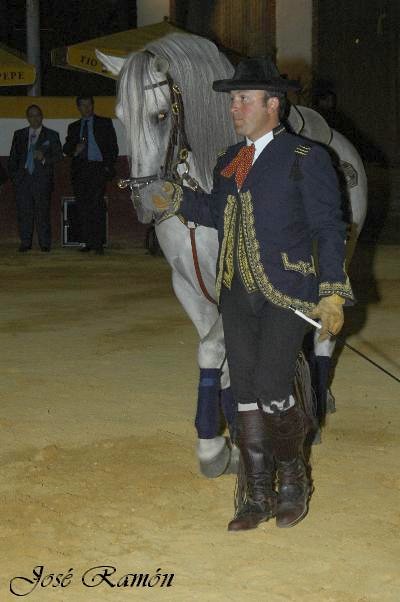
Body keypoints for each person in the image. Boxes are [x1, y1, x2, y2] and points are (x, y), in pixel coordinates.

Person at [140, 57, 354, 532]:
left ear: (271, 104)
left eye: (243, 99)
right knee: (247, 393)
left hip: (288, 291)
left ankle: (294, 480)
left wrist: (333, 292)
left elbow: (328, 228)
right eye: (233, 100)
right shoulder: (228, 161)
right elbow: (219, 211)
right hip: (235, 291)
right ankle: (255, 492)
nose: (234, 108)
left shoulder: (306, 158)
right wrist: (176, 199)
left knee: (276, 386)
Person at [63, 95, 118, 255]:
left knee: (97, 206)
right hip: (80, 169)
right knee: (83, 207)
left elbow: (112, 147)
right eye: (83, 105)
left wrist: (107, 166)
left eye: (88, 105)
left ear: (93, 106)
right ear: (78, 108)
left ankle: (98, 243)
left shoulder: (104, 122)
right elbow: (66, 148)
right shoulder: (73, 127)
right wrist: (75, 150)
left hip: (97, 168)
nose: (86, 108)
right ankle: (88, 242)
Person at [8, 104, 62, 252]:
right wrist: (15, 177)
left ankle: (45, 243)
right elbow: (13, 157)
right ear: (27, 118)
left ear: (41, 116)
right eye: (31, 115)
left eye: (37, 114)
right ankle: (25, 243)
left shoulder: (52, 135)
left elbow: (58, 156)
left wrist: (44, 158)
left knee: (42, 213)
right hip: (23, 180)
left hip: (42, 179)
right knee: (24, 213)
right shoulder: (19, 134)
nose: (35, 118)